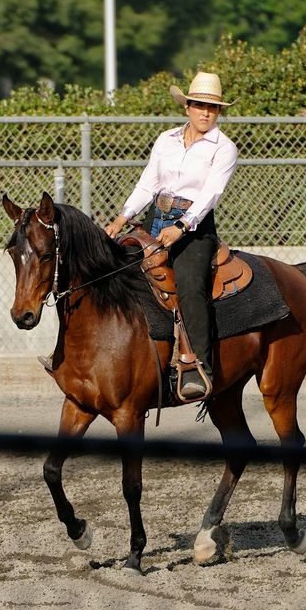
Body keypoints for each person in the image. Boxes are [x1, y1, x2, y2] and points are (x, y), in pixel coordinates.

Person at [105, 71, 239, 399]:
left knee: (190, 286)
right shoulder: (166, 140)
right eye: (199, 105)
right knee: (114, 267)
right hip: (154, 218)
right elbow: (148, 184)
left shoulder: (224, 148)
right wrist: (123, 217)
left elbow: (210, 194)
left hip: (195, 228)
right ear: (188, 107)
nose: (205, 112)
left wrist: (181, 227)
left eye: (213, 107)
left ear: (218, 112)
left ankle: (198, 366)